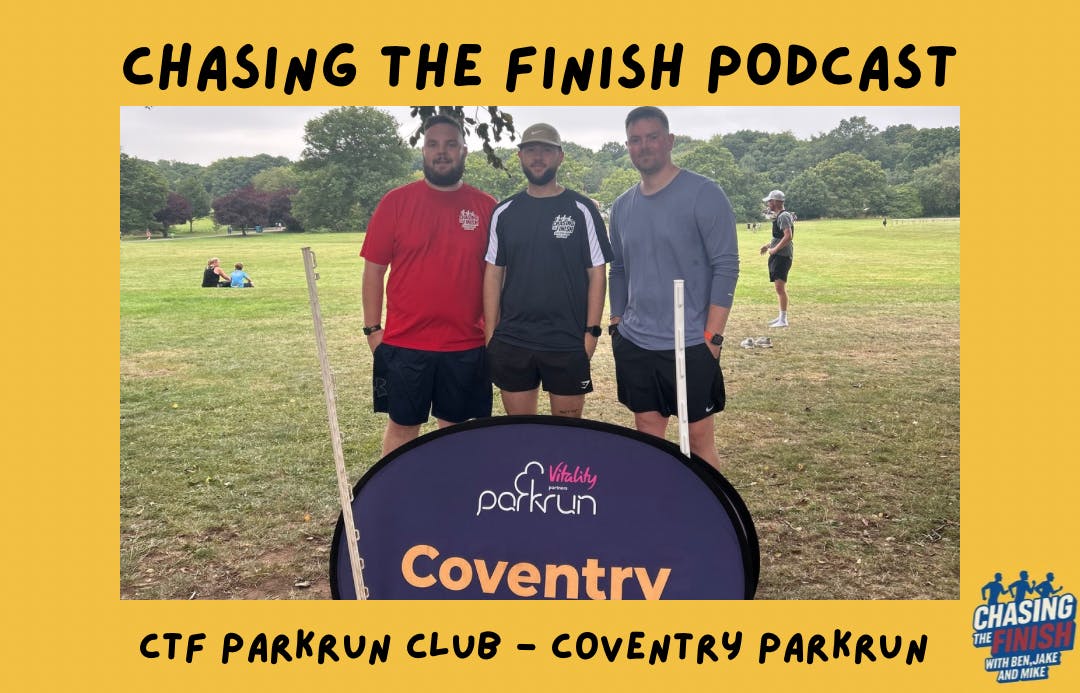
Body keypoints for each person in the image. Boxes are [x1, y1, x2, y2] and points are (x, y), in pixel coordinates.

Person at [607, 107, 739, 470]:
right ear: (628, 146)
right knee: (648, 435)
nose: (644, 146)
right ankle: (659, 516)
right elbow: (617, 268)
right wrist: (617, 320)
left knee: (698, 439)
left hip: (691, 340)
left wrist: (713, 335)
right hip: (635, 341)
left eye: (652, 137)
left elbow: (726, 266)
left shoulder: (704, 193)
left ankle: (711, 520)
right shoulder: (621, 206)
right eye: (635, 139)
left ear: (669, 141)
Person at [360, 114, 497, 456]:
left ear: (464, 151)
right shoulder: (396, 202)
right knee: (403, 429)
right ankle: (395, 499)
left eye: (451, 144)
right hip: (406, 343)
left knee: (457, 433)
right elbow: (373, 270)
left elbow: (497, 278)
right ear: (423, 151)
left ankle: (452, 500)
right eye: (433, 144)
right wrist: (373, 330)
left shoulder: (486, 207)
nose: (442, 152)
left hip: (466, 344)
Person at [483, 123, 613, 418]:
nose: (537, 156)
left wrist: (591, 333)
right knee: (519, 433)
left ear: (560, 156)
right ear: (520, 156)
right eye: (531, 150)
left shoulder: (582, 209)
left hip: (567, 340)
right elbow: (493, 273)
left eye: (546, 150)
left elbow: (597, 272)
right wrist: (491, 333)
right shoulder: (504, 212)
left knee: (566, 438)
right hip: (513, 340)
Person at [759, 190, 794, 327]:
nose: (768, 204)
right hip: (778, 255)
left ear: (776, 202)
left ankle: (783, 319)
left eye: (770, 201)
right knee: (778, 288)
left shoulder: (784, 216)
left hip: (782, 256)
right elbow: (779, 237)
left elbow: (788, 236)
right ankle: (781, 316)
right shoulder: (780, 216)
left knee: (780, 288)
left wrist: (774, 249)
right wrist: (768, 246)